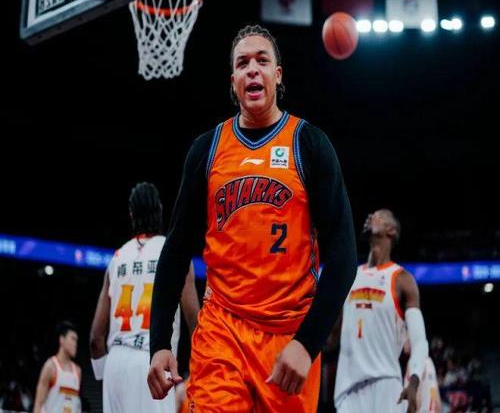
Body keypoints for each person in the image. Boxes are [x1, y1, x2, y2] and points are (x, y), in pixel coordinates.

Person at [147, 24, 358, 412]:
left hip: (288, 336)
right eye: (242, 63)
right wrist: (160, 342)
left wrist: (307, 343)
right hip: (222, 330)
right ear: (234, 81)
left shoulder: (309, 144)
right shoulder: (207, 149)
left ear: (277, 75)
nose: (252, 69)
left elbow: (343, 255)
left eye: (262, 60)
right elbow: (176, 250)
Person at [90, 182, 200, 413]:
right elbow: (195, 322)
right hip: (152, 361)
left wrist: (105, 373)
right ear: (160, 210)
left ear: (131, 215)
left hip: (115, 362)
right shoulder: (173, 253)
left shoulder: (117, 258)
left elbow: (95, 339)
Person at [330, 209, 429, 413]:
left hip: (386, 385)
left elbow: (419, 341)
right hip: (348, 389)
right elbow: (333, 337)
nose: (370, 217)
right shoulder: (350, 275)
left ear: (391, 231)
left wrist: (414, 381)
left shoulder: (402, 280)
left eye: (379, 216)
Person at [34, 321, 81, 413]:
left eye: (76, 340)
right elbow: (38, 404)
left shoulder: (77, 371)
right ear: (62, 340)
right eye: (72, 339)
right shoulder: (50, 366)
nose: (75, 344)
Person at [403, 340, 442, 413]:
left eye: (405, 337)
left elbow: (416, 402)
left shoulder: (413, 362)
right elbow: (435, 397)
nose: (403, 341)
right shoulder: (429, 361)